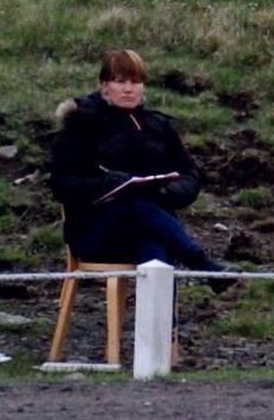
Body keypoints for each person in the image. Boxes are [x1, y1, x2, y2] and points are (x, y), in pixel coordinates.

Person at [50, 49, 237, 291]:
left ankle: (163, 329)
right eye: (120, 81)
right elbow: (61, 183)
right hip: (96, 232)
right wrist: (107, 183)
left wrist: (167, 192)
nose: (129, 89)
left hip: (152, 225)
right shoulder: (82, 123)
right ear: (105, 86)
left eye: (135, 81)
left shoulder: (159, 126)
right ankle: (202, 263)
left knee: (155, 246)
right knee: (133, 202)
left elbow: (189, 176)